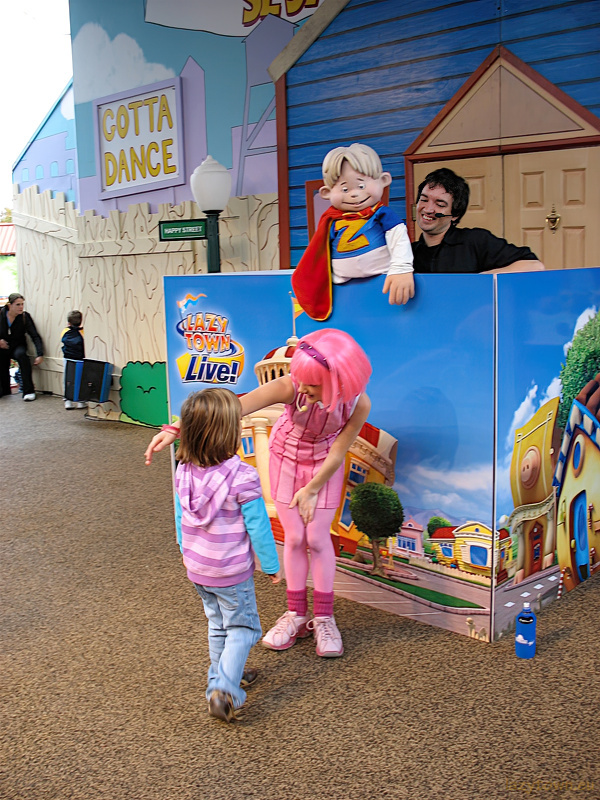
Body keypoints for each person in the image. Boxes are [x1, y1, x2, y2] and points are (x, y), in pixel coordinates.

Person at [146, 328, 372, 659]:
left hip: (323, 467)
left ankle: (324, 618)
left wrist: (312, 489)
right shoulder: (290, 387)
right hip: (285, 458)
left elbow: (339, 451)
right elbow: (233, 407)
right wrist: (176, 429)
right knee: (294, 538)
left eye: (314, 383)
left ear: (339, 381)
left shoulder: (358, 403)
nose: (305, 389)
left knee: (319, 539)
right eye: (303, 381)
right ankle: (296, 613)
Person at [174, 387, 281, 723]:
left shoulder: (183, 470)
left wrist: (184, 549)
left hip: (198, 567)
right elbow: (259, 526)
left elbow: (179, 517)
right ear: (229, 433)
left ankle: (219, 679)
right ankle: (225, 691)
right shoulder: (242, 475)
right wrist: (271, 564)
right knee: (244, 629)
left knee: (217, 625)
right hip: (230, 571)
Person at [292, 143, 414, 320]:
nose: (354, 194)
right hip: (342, 293)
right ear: (326, 193)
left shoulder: (381, 214)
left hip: (383, 284)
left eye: (361, 186)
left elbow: (398, 237)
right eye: (344, 189)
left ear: (384, 180)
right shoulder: (331, 221)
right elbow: (319, 252)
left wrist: (401, 268)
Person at [412, 167, 545, 274]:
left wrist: (481, 281)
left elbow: (534, 266)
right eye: (424, 200)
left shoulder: (475, 241)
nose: (428, 209)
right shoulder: (408, 251)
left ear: (455, 214)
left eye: (440, 204)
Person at [0, 293, 44, 401]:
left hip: (17, 346)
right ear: (10, 305)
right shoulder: (0, 314)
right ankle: (4, 391)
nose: (21, 307)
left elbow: (35, 336)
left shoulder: (24, 317)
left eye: (22, 304)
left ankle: (28, 391)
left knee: (22, 356)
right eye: (18, 304)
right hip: (2, 347)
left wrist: (40, 354)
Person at [61, 310, 87, 410]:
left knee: (68, 379)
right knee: (81, 378)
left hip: (68, 358)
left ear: (69, 322)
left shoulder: (65, 332)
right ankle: (81, 401)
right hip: (81, 359)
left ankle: (68, 401)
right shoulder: (83, 332)